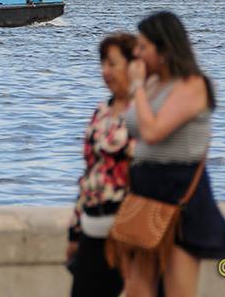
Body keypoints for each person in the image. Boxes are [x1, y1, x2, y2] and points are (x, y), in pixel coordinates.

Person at [119, 11, 225, 297]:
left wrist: (135, 87)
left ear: (164, 50)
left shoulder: (192, 85)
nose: (137, 53)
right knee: (137, 288)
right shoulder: (152, 83)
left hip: (178, 192)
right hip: (146, 192)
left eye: (144, 47)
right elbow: (136, 130)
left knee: (178, 289)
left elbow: (153, 131)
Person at [67, 33, 136, 297]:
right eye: (102, 64)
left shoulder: (145, 114)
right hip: (92, 233)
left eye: (112, 64)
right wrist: (74, 233)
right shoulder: (101, 112)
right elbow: (89, 175)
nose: (105, 71)